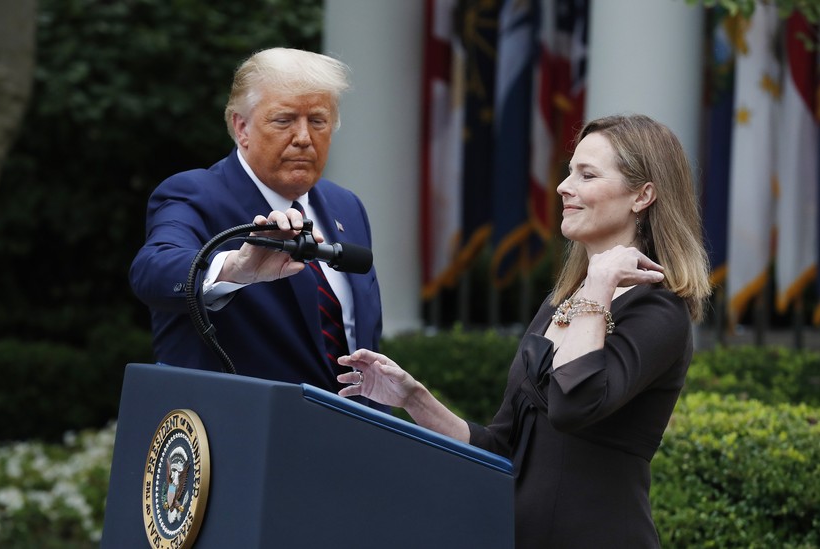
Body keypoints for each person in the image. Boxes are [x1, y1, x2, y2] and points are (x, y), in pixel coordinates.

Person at [337, 114, 712, 547]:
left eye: (586, 174)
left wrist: (598, 283)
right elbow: (500, 446)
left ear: (642, 195)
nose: (563, 187)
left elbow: (574, 406)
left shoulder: (659, 309)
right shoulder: (561, 302)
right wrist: (413, 399)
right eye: (569, 171)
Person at [129, 47, 385, 410]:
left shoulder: (347, 207)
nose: (303, 137)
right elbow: (152, 270)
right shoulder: (195, 194)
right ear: (241, 127)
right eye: (283, 120)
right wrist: (236, 268)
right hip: (237, 440)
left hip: (348, 447)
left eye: (318, 120)